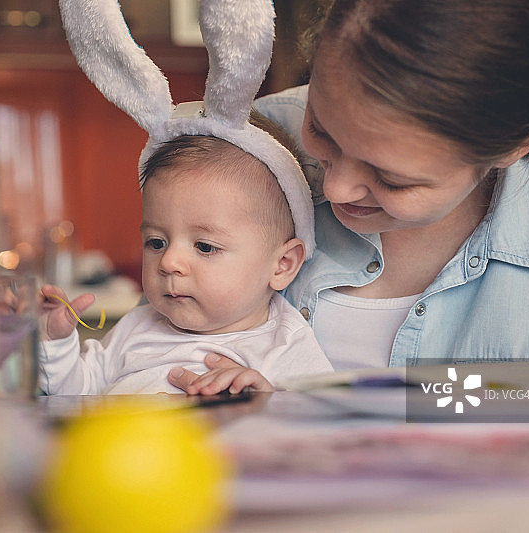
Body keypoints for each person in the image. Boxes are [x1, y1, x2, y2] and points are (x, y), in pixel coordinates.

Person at [169, 0, 529, 395]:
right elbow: (157, 353)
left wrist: (337, 407)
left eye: (393, 179)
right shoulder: (242, 151)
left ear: (517, 146)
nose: (333, 190)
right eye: (321, 130)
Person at [38, 112, 334, 395]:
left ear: (282, 265)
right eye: (156, 242)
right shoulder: (137, 326)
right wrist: (55, 342)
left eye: (204, 246)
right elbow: (74, 393)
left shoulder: (283, 342)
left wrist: (268, 403)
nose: (168, 262)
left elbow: (322, 425)